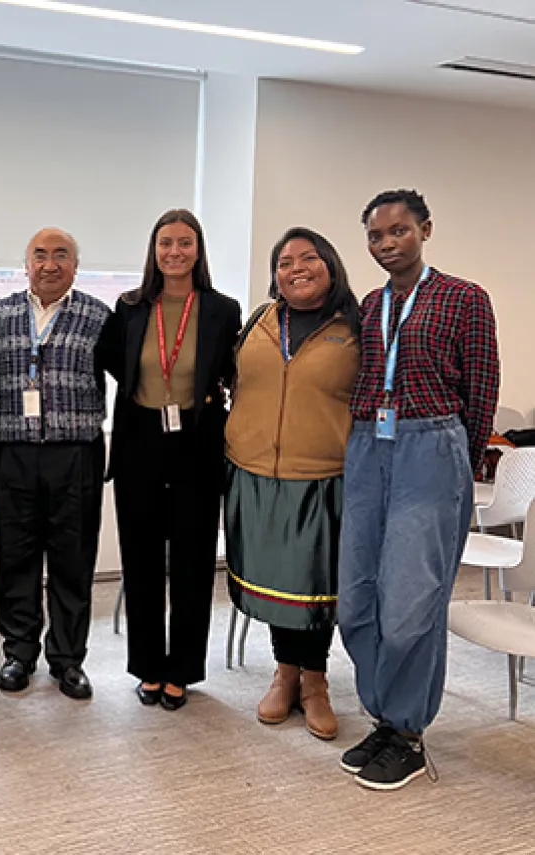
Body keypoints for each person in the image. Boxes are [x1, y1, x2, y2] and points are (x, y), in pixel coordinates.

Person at [337, 189, 499, 790]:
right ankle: (383, 716)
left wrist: (461, 461)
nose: (385, 245)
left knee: (410, 602)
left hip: (430, 449)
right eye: (375, 237)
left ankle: (407, 731)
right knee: (355, 597)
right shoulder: (370, 303)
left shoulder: (463, 298)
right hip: (366, 446)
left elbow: (482, 389)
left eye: (397, 231)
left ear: (425, 230)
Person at [99, 209, 241, 710]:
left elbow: (232, 375)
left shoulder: (223, 310)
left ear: (198, 250)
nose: (174, 252)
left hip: (196, 442)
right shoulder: (131, 306)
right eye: (165, 243)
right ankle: (148, 668)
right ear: (153, 251)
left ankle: (182, 668)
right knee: (139, 560)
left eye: (184, 243)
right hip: (139, 438)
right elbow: (115, 362)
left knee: (192, 560)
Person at [224, 227, 360, 740]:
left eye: (309, 258)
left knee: (314, 586)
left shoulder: (356, 326)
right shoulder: (259, 321)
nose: (296, 268)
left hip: (322, 475)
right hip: (255, 471)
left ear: (330, 264)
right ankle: (284, 673)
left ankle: (316, 683)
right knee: (277, 582)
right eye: (285, 261)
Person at [0, 228, 109, 700]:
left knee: (72, 560)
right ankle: (18, 653)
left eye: (62, 256)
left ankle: (67, 659)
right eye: (41, 255)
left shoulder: (99, 317)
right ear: (26, 264)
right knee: (15, 556)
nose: (50, 264)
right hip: (13, 452)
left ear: (75, 266)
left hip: (74, 453)